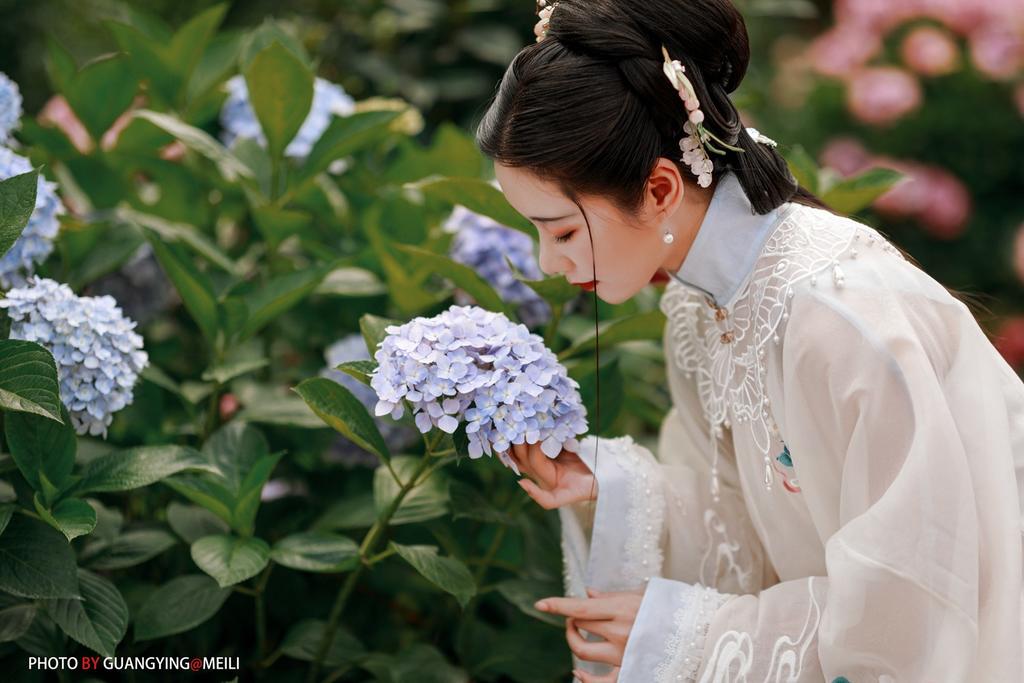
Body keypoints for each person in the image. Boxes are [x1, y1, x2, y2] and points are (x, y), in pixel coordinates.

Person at [473, 1, 1024, 681]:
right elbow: (742, 536)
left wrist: (689, 637)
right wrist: (604, 487)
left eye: (560, 230)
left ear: (660, 186)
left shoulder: (845, 313)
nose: (547, 264)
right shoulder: (698, 312)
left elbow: (916, 603)